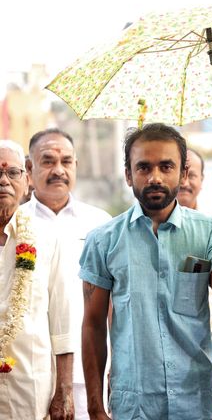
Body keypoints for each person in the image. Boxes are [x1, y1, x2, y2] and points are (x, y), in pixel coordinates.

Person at [80, 123, 212, 420]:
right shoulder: (103, 240)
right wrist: (95, 408)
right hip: (134, 404)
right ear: (129, 174)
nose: (155, 177)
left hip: (198, 401)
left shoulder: (210, 232)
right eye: (144, 167)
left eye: (166, 166)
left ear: (183, 174)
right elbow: (93, 326)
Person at [23, 128, 111, 419]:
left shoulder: (100, 223)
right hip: (28, 371)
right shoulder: (14, 224)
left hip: (91, 371)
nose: (58, 170)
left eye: (67, 161)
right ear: (29, 168)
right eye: (48, 161)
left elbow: (116, 299)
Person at [0, 140, 74, 419]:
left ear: (27, 180)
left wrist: (65, 390)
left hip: (29, 386)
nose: (4, 181)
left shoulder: (47, 237)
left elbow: (62, 319)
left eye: (12, 173)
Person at [177, 147, 212, 419]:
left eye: (193, 174)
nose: (185, 181)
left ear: (201, 181)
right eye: (180, 172)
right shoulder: (141, 228)